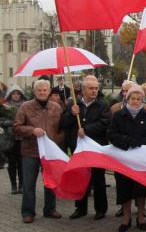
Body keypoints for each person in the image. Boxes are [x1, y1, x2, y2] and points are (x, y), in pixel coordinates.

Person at [13, 79, 64, 223]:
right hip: (30, 151)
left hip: (49, 152)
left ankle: (50, 209)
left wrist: (57, 140)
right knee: (29, 184)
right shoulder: (25, 106)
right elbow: (16, 127)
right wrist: (31, 130)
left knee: (51, 182)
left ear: (49, 92)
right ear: (34, 92)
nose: (42, 92)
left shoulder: (56, 107)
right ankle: (28, 212)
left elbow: (62, 128)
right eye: (39, 90)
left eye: (45, 90)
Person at [60, 75, 111, 220]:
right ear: (83, 89)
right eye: (91, 88)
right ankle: (80, 208)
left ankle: (100, 209)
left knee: (98, 178)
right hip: (79, 148)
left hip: (96, 147)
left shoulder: (102, 105)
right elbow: (63, 123)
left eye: (96, 88)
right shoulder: (73, 104)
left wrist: (87, 130)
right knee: (81, 177)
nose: (94, 91)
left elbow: (106, 122)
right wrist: (71, 113)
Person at [107, 84, 146, 232]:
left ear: (142, 100)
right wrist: (126, 141)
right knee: (124, 188)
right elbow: (111, 134)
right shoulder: (118, 115)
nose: (135, 101)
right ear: (127, 99)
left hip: (141, 159)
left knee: (141, 189)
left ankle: (140, 216)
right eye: (132, 98)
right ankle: (126, 217)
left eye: (138, 99)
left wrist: (140, 142)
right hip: (123, 158)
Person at [5, 85, 27, 194]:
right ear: (10, 95)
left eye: (18, 93)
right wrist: (10, 123)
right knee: (12, 163)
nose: (16, 95)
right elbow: (1, 120)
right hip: (10, 139)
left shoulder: (25, 105)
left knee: (22, 163)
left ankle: (22, 185)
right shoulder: (5, 106)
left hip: (23, 139)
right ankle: (14, 185)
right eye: (14, 93)